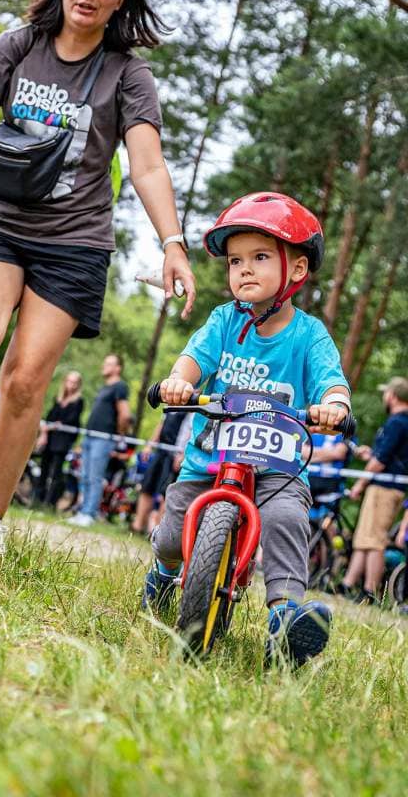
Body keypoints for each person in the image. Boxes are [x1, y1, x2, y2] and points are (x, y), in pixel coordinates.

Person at [0, 0, 195, 552]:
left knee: (24, 380)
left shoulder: (129, 75)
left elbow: (147, 165)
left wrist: (172, 242)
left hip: (73, 242)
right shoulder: (18, 46)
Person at [143, 192, 351, 668]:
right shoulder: (222, 320)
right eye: (236, 261)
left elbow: (330, 381)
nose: (244, 270)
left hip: (277, 467)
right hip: (209, 460)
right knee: (175, 533)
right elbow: (195, 358)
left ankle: (285, 618)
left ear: (296, 271)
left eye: (260, 257)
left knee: (285, 520)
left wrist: (333, 407)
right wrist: (180, 382)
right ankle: (162, 573)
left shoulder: (308, 334)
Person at [339, 376, 408, 603]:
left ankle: (370, 592)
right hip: (383, 486)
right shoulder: (399, 422)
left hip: (386, 489)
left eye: (385, 393)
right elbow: (386, 456)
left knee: (375, 541)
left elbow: (380, 460)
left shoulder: (398, 422)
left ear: (392, 395)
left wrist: (360, 484)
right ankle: (347, 585)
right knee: (364, 538)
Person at [68, 354, 131, 527]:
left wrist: (118, 435)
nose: (104, 366)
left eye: (109, 364)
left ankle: (90, 513)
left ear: (118, 368)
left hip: (103, 439)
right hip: (90, 437)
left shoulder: (120, 387)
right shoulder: (104, 387)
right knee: (85, 476)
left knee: (95, 477)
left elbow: (125, 414)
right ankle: (82, 511)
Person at [130, 410, 185, 534]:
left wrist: (183, 453)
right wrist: (149, 445)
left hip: (175, 454)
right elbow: (161, 424)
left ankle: (157, 532)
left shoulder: (192, 406)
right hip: (160, 451)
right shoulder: (171, 404)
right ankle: (137, 525)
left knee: (166, 494)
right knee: (146, 487)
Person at [34, 370, 84, 506]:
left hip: (62, 442)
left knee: (56, 472)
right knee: (43, 469)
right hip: (50, 439)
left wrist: (51, 426)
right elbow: (50, 417)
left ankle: (49, 502)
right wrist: (46, 430)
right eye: (69, 381)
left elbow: (70, 420)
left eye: (74, 382)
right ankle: (37, 499)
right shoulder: (58, 398)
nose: (71, 385)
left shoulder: (78, 401)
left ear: (78, 385)